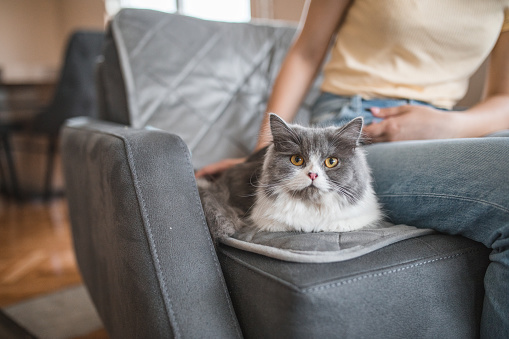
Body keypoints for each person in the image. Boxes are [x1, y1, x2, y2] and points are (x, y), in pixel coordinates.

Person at [196, 1, 509, 337]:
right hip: (353, 131)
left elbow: (503, 99)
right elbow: (306, 52)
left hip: (452, 126)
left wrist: (452, 126)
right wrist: (262, 154)